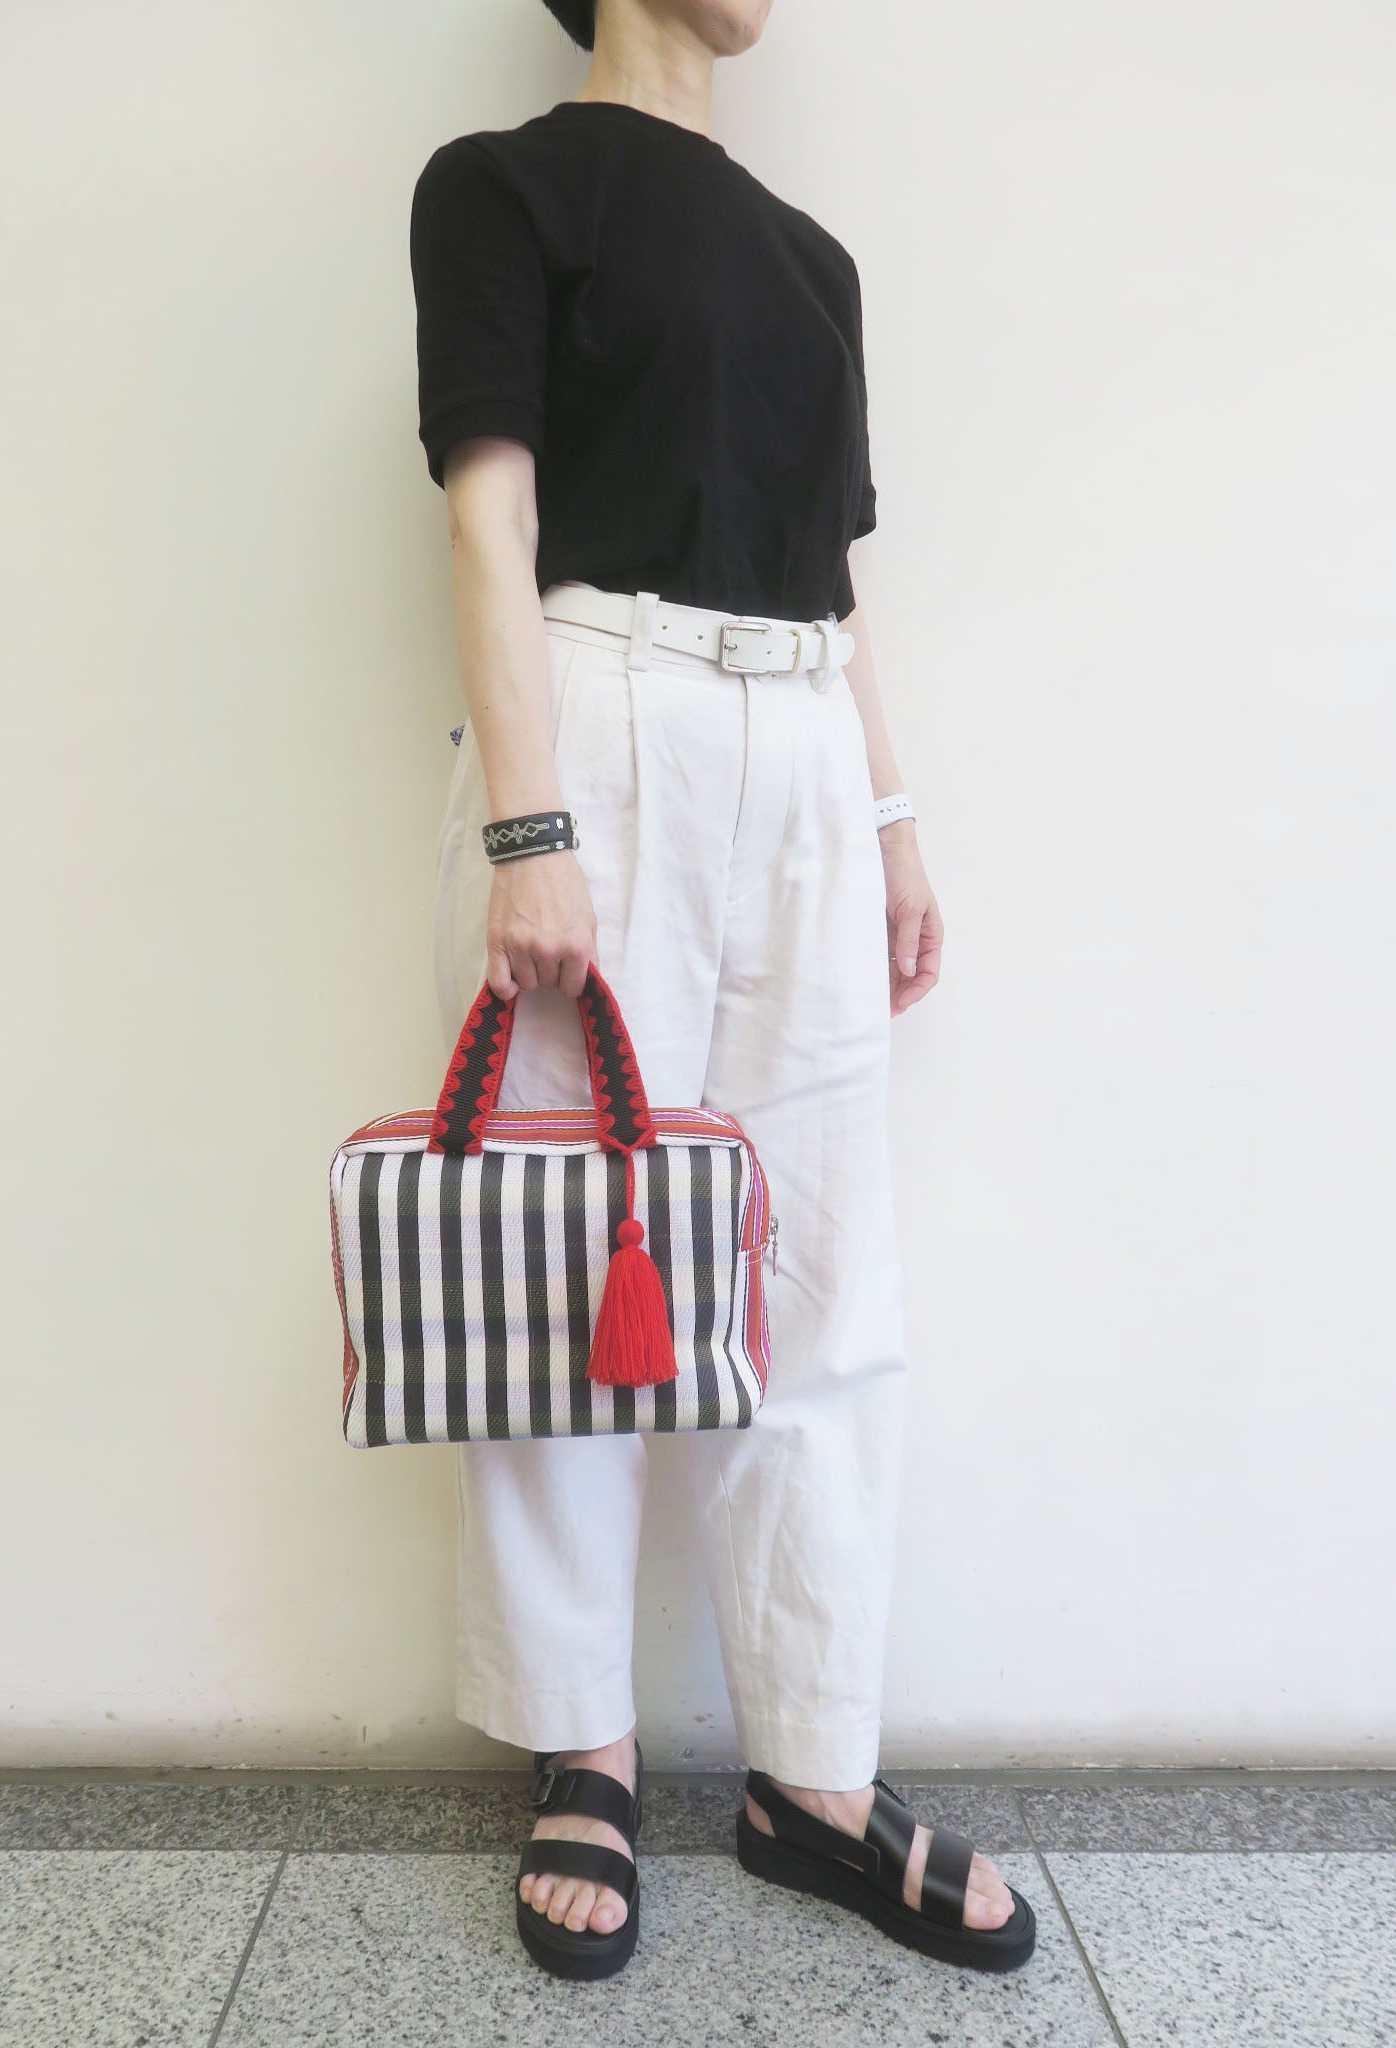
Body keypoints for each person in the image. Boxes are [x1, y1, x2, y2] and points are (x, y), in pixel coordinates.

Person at [408, 0, 1037, 1981]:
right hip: (602, 728)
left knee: (825, 1273)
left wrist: (897, 820)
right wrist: (529, 825)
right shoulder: (504, 188)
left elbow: (834, 581)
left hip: (802, 752)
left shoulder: (813, 262)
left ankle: (813, 1774)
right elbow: (489, 514)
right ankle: (581, 1745)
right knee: (559, 1261)